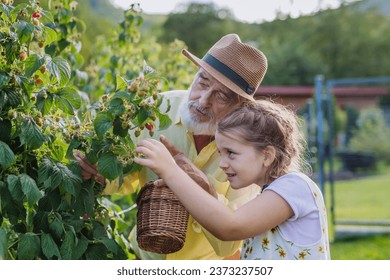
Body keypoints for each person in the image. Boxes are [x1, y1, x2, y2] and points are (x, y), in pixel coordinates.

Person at [74, 33, 269, 260]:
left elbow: (232, 242)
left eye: (221, 96)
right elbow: (124, 178)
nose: (203, 100)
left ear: (240, 107)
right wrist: (99, 175)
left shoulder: (248, 148)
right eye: (202, 81)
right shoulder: (156, 110)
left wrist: (203, 189)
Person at [134, 100, 331, 260]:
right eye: (220, 153)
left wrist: (170, 171)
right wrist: (207, 190)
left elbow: (230, 227)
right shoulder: (270, 195)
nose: (222, 163)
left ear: (267, 155)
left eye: (231, 153)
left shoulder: (295, 186)